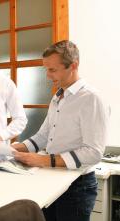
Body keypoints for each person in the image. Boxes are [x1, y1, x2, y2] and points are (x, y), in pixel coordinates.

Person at [12, 40, 110, 221]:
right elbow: (43, 136)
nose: (48, 76)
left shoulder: (91, 99)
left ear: (73, 66)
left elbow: (94, 152)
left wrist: (43, 160)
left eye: (53, 70)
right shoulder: (58, 97)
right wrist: (13, 149)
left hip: (77, 188)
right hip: (50, 181)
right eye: (46, 69)